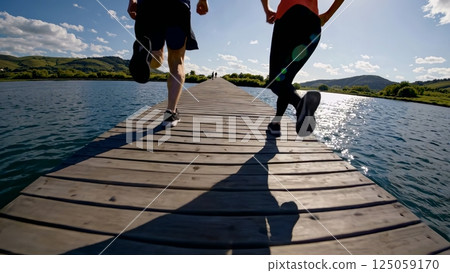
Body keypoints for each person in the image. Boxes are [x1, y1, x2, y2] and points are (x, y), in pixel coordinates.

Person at [260, 0, 344, 137]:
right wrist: (327, 15)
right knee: (285, 82)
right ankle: (276, 124)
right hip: (313, 25)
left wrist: (267, 9)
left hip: (290, 15)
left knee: (276, 82)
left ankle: (300, 105)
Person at [128, 0, 209, 127]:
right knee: (177, 61)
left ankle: (146, 53)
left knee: (156, 58)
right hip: (177, 6)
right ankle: (170, 113)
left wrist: (132, 1)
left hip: (148, 6)